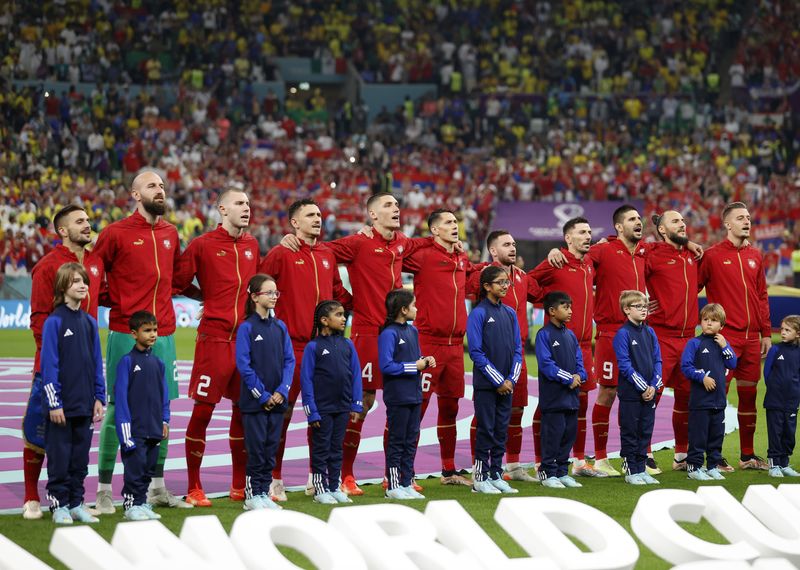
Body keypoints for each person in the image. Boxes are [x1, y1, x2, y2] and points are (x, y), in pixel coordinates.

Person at [282, 192, 428, 495]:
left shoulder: (402, 242)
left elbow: (429, 248)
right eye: (388, 205)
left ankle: (398, 474)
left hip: (399, 333)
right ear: (372, 215)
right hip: (367, 333)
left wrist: (455, 247)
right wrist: (290, 238)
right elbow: (321, 250)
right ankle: (344, 474)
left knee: (400, 403)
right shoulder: (359, 242)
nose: (396, 209)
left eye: (397, 205)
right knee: (361, 404)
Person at [92, 170, 189, 511]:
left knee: (162, 409)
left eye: (162, 185)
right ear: (135, 194)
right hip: (124, 333)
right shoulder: (115, 233)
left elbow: (177, 277)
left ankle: (157, 488)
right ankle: (104, 490)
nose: (160, 190)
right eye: (151, 186)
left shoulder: (171, 233)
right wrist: (115, 301)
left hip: (163, 334)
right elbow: (93, 272)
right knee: (118, 408)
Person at [260, 199, 352, 501]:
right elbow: (259, 290)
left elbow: (339, 294)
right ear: (294, 223)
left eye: (319, 215)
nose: (317, 219)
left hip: (322, 347)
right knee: (281, 413)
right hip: (289, 348)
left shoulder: (327, 254)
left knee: (322, 415)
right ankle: (273, 477)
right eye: (310, 215)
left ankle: (319, 476)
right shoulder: (280, 253)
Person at [173, 189, 259, 506]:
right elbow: (178, 280)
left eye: (248, 203)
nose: (246, 208)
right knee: (204, 411)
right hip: (214, 338)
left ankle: (239, 485)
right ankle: (194, 486)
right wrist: (204, 298)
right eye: (239, 203)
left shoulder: (252, 245)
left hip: (245, 341)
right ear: (222, 209)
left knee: (243, 410)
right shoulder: (203, 245)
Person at [549, 205, 647, 476]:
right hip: (610, 333)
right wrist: (556, 251)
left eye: (639, 218)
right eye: (632, 218)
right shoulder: (602, 250)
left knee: (638, 393)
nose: (638, 222)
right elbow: (574, 257)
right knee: (608, 391)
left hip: (639, 333)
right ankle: (599, 457)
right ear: (618, 226)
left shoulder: (644, 253)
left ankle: (640, 454)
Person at [23, 205, 104, 520]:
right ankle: (32, 496)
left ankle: (74, 501)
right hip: (55, 365)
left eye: (87, 220)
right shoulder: (47, 266)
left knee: (78, 438)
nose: (87, 225)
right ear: (62, 230)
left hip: (85, 366)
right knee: (40, 427)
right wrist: (51, 362)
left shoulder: (95, 263)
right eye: (79, 221)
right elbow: (39, 319)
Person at [402, 209, 481, 486]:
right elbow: (396, 251)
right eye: (447, 222)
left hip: (457, 347)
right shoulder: (423, 255)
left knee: (451, 408)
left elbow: (475, 275)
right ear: (434, 229)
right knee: (416, 408)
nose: (454, 226)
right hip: (428, 343)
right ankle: (402, 472)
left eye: (455, 222)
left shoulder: (461, 257)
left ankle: (448, 471)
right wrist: (427, 240)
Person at [698, 202, 772, 470]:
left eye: (749, 217)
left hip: (753, 338)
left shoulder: (755, 255)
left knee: (750, 395)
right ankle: (714, 457)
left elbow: (762, 296)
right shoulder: (712, 255)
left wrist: (765, 331)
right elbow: (690, 287)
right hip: (724, 338)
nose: (747, 221)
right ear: (728, 224)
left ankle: (747, 456)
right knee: (717, 397)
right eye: (740, 218)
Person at [466, 230, 541, 482]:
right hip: (490, 355)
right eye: (506, 244)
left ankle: (512, 467)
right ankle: (479, 468)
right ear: (493, 251)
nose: (513, 247)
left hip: (515, 356)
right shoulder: (482, 276)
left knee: (516, 409)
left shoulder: (522, 277)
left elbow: (541, 294)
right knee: (485, 415)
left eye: (514, 243)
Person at [529, 217, 598, 478]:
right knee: (548, 406)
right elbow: (528, 284)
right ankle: (540, 461)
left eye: (589, 231)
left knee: (580, 404)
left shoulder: (590, 262)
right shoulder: (556, 261)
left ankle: (576, 462)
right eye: (581, 232)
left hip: (582, 345)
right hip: (558, 344)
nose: (587, 235)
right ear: (568, 238)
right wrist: (548, 302)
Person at [40, 263, 106, 524]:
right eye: (76, 281)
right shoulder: (54, 322)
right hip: (61, 407)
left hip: (84, 404)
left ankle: (77, 502)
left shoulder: (90, 323)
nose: (82, 285)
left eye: (84, 281)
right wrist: (54, 403)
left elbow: (96, 363)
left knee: (80, 458)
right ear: (63, 287)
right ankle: (59, 505)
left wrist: (99, 397)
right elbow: (49, 366)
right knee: (60, 457)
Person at [646, 211, 704, 472]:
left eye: (683, 221)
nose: (682, 224)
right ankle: (642, 453)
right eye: (675, 221)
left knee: (686, 398)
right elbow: (626, 273)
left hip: (689, 339)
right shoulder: (651, 252)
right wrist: (639, 300)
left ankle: (681, 456)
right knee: (650, 395)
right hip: (661, 336)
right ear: (661, 230)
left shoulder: (693, 255)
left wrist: (687, 243)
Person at [235, 274, 294, 511]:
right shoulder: (247, 327)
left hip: (277, 401)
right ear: (254, 296)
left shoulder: (280, 327)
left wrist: (281, 391)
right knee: (256, 448)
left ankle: (264, 491)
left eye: (276, 293)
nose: (274, 297)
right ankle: (253, 495)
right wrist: (262, 394)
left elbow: (289, 361)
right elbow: (243, 364)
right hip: (255, 402)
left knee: (270, 449)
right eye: (268, 293)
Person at [467, 266, 522, 494]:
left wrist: (511, 380)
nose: (505, 286)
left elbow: (518, 349)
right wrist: (498, 380)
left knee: (501, 429)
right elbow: (476, 352)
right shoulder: (479, 313)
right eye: (500, 282)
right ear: (487, 286)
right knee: (486, 429)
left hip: (507, 385)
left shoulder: (510, 313)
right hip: (486, 385)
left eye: (507, 282)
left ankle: (496, 473)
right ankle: (480, 477)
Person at [301, 300, 363, 504]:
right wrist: (311, 411)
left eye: (344, 314)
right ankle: (320, 489)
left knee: (337, 448)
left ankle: (334, 486)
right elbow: (306, 380)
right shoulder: (313, 347)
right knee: (321, 449)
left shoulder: (347, 344)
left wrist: (356, 404)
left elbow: (355, 375)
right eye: (339, 315)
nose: (344, 318)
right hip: (322, 408)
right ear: (324, 321)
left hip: (343, 406)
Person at [379, 289, 434, 500]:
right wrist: (415, 366)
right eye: (413, 305)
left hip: (414, 394)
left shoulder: (413, 332)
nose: (416, 308)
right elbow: (386, 365)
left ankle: (405, 481)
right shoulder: (389, 333)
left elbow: (414, 358)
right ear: (403, 309)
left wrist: (425, 360)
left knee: (411, 440)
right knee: (397, 440)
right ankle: (393, 485)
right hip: (398, 396)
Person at [115, 311, 171, 520]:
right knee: (135, 470)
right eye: (147, 330)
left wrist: (164, 420)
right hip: (135, 430)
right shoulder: (127, 362)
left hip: (154, 428)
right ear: (133, 334)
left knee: (148, 469)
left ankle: (141, 502)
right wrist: (125, 434)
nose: (153, 334)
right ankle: (131, 505)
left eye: (155, 330)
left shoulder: (158, 363)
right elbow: (121, 399)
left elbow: (163, 395)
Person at [535, 291, 587, 489]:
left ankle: (562, 472)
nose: (570, 311)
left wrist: (580, 376)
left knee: (568, 434)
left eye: (570, 307)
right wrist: (568, 379)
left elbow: (579, 362)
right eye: (566, 307)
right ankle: (547, 472)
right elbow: (546, 365)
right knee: (553, 435)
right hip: (554, 398)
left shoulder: (570, 335)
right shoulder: (544, 334)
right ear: (552, 311)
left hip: (571, 398)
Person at [680, 304, 738, 481]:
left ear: (721, 325)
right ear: (701, 322)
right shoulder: (694, 343)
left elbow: (733, 364)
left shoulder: (722, 344)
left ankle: (712, 466)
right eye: (706, 320)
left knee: (716, 436)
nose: (709, 324)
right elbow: (686, 366)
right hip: (700, 401)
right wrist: (702, 377)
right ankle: (694, 467)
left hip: (719, 401)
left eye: (714, 321)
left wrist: (725, 346)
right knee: (698, 436)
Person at [613, 290, 662, 486]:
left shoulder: (650, 332)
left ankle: (641, 468)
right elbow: (624, 365)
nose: (644, 310)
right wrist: (643, 387)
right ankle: (631, 469)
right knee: (630, 431)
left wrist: (653, 385)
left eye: (645, 306)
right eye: (638, 307)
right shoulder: (623, 334)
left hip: (649, 391)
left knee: (645, 431)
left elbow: (658, 359)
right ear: (626, 310)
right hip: (631, 394)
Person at [763, 315, 800, 478]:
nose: (783, 332)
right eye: (782, 329)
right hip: (774, 401)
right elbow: (767, 372)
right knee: (776, 433)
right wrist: (774, 389)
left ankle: (784, 463)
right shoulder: (775, 350)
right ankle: (774, 464)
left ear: (797, 333)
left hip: (792, 402)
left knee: (788, 433)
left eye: (787, 330)